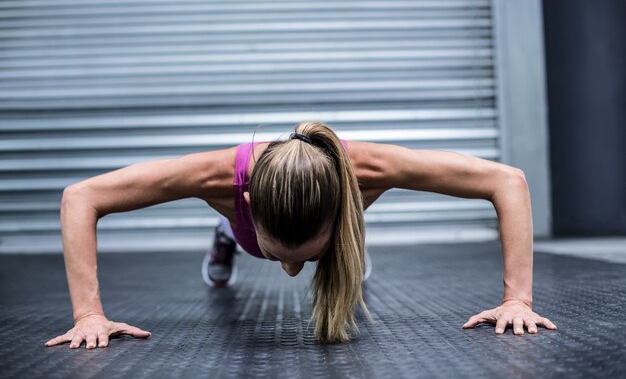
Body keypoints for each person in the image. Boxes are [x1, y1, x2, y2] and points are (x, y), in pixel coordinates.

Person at [45, 121, 557, 350]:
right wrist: (89, 314)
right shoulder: (215, 179)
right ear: (249, 201)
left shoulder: (372, 171)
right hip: (240, 220)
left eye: (305, 257)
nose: (291, 271)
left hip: (330, 222)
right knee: (239, 234)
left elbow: (505, 181)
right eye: (281, 255)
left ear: (344, 208)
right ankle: (228, 235)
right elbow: (81, 197)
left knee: (319, 250)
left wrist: (518, 299)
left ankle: (319, 240)